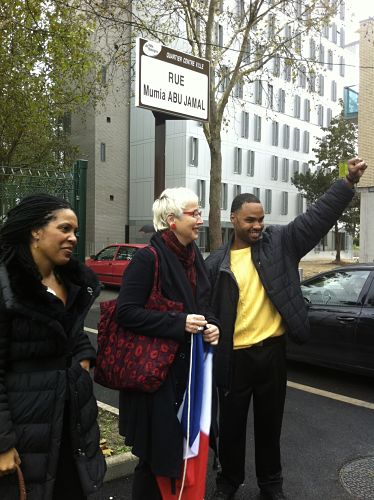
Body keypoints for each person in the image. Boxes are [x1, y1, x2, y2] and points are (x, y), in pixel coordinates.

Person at [205, 158, 368, 500]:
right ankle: (228, 484)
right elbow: (206, 312)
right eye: (250, 220)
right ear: (233, 219)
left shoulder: (280, 243)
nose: (257, 226)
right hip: (233, 360)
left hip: (273, 355)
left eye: (261, 219)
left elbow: (316, 218)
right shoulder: (215, 264)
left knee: (269, 428)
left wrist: (347, 183)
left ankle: (271, 486)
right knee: (231, 429)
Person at [116, 187, 220, 499]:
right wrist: (179, 323)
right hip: (157, 381)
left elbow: (205, 307)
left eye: (200, 212)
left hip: (188, 377)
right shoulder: (148, 258)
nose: (200, 219)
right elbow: (126, 313)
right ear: (171, 220)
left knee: (180, 453)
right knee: (155, 459)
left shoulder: (194, 258)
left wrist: (213, 326)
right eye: (194, 213)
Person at [0, 194, 106, 500]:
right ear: (36, 230)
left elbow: (70, 333)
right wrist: (4, 443)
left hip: (72, 423)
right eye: (64, 229)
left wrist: (84, 359)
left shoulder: (71, 281)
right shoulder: (7, 284)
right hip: (26, 429)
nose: (73, 238)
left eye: (75, 231)